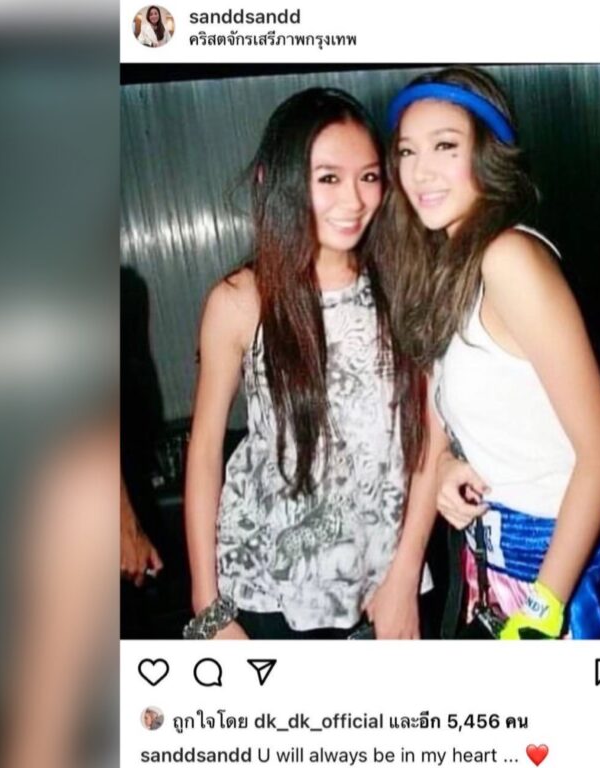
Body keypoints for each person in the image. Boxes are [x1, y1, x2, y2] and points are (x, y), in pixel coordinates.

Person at [375, 66, 600, 639]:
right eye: (407, 151)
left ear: (487, 153)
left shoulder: (510, 259)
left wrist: (544, 611)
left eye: (445, 146)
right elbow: (446, 425)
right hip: (494, 567)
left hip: (565, 581)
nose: (420, 170)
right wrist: (446, 467)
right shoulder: (448, 270)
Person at [183, 88, 438, 640]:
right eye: (328, 178)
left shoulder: (404, 288)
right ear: (278, 182)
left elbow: (428, 438)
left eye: (368, 177)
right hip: (267, 591)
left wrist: (405, 574)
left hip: (385, 582)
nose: (354, 200)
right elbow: (204, 451)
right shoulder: (241, 301)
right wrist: (208, 606)